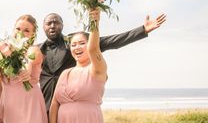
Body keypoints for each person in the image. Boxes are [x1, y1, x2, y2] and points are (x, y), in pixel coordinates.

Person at [39, 12, 167, 110]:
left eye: (56, 22)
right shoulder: (36, 50)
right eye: (48, 23)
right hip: (43, 109)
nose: (52, 26)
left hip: (69, 106)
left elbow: (111, 42)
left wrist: (142, 30)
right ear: (43, 27)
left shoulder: (73, 42)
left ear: (62, 25)